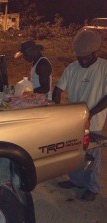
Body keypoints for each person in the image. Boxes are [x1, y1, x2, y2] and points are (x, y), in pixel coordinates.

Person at [52, 29, 107, 201]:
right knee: (74, 150)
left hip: (94, 119)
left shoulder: (104, 67)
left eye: (86, 57)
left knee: (92, 154)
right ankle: (76, 181)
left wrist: (90, 114)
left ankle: (92, 187)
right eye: (79, 57)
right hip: (74, 119)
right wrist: (57, 107)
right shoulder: (72, 67)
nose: (82, 60)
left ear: (94, 53)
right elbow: (58, 89)